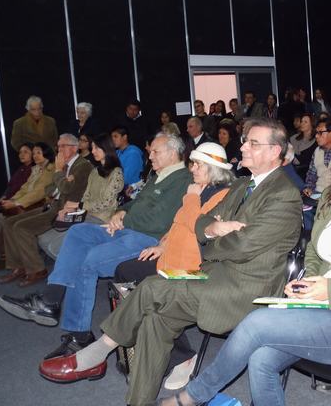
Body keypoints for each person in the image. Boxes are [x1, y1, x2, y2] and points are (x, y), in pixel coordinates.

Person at [37, 118, 303, 406]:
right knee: (155, 320)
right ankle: (138, 402)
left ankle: (98, 352)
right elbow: (202, 225)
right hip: (212, 274)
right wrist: (215, 228)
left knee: (151, 287)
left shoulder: (284, 195)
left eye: (253, 143)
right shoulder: (242, 185)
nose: (243, 148)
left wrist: (214, 233)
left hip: (243, 290)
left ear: (275, 151)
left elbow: (241, 247)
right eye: (245, 141)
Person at [157, 124, 331, 406]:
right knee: (261, 358)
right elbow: (314, 251)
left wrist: (330, 289)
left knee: (256, 322)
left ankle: (192, 396)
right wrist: (309, 285)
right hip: (322, 308)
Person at [0, 133, 191, 359]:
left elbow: (159, 221)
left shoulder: (182, 180)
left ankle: (78, 336)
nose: (150, 155)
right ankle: (50, 299)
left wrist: (124, 219)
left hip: (147, 239)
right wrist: (120, 213)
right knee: (78, 232)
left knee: (88, 262)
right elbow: (135, 203)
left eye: (155, 151)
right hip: (127, 230)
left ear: (173, 153)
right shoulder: (158, 175)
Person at [113, 142, 234, 390]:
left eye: (197, 164)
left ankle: (181, 356)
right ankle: (142, 344)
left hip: (194, 265)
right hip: (171, 257)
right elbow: (177, 225)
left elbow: (195, 225)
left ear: (213, 168)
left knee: (150, 288)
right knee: (125, 273)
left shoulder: (223, 195)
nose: (192, 168)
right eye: (192, 163)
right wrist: (162, 245)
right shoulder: (198, 188)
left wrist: (191, 197)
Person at [0, 134, 93, 287]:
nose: (59, 149)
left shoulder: (83, 166)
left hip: (64, 209)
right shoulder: (65, 164)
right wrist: (59, 181)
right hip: (52, 205)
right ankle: (18, 266)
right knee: (9, 223)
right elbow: (49, 189)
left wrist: (58, 173)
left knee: (21, 228)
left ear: (74, 148)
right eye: (58, 146)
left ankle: (37, 270)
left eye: (63, 146)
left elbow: (66, 188)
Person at [37, 133, 124, 259]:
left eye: (96, 148)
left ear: (106, 148)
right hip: (85, 215)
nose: (93, 151)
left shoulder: (116, 173)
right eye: (92, 148)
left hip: (101, 218)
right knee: (44, 239)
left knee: (55, 247)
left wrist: (78, 205)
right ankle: (71, 264)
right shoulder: (95, 171)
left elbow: (105, 203)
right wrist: (71, 210)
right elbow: (86, 195)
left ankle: (74, 266)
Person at [0, 143, 55, 272]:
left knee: (12, 221)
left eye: (38, 153)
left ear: (46, 153)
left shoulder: (50, 169)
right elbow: (24, 189)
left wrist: (17, 203)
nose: (35, 156)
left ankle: (9, 258)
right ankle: (14, 262)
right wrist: (13, 200)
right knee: (3, 218)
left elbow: (39, 193)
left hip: (40, 204)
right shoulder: (36, 169)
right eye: (34, 153)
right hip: (28, 203)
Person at [0, 143, 35, 240]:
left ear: (32, 154)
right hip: (11, 200)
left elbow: (26, 191)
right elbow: (10, 187)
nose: (21, 155)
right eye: (20, 152)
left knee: (1, 217)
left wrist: (12, 201)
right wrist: (3, 197)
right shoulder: (21, 169)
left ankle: (9, 242)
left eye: (25, 152)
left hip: (22, 203)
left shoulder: (34, 170)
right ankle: (2, 244)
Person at [303, 119, 331, 197]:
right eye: (316, 133)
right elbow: (311, 174)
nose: (316, 136)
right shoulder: (317, 151)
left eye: (320, 133)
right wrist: (308, 188)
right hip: (317, 192)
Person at [289, 113, 317, 181]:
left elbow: (306, 160)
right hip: (291, 168)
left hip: (305, 173)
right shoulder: (293, 138)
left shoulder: (316, 141)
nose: (302, 124)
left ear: (312, 124)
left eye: (305, 122)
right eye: (301, 121)